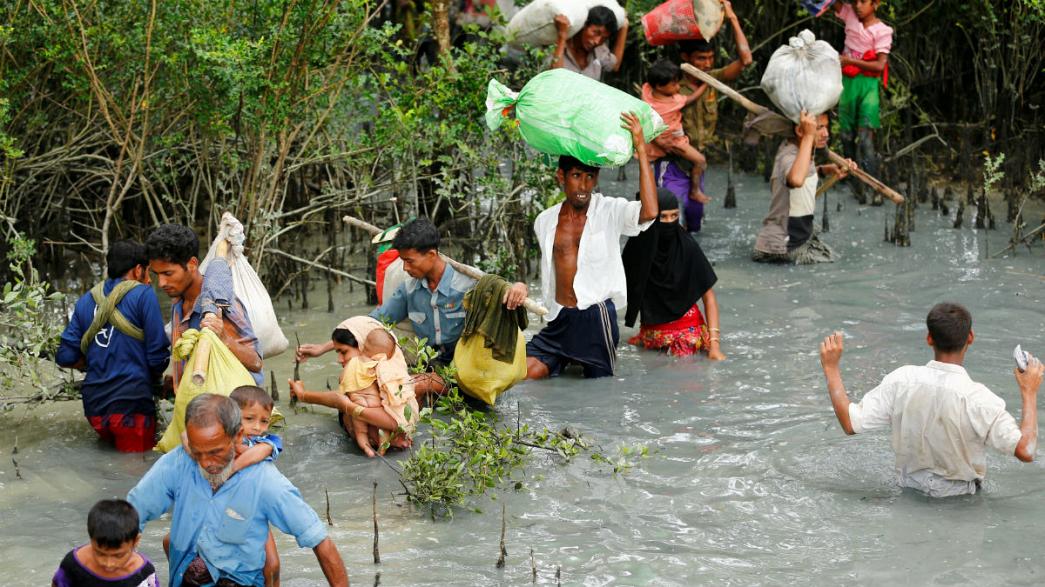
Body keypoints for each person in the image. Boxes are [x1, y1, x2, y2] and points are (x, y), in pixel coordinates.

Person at [818, 302, 1044, 497]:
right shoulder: (981, 400)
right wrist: (1029, 391)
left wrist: (831, 367)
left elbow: (850, 423)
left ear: (929, 338)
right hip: (961, 504)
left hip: (907, 494)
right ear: (971, 338)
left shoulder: (901, 380)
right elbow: (1026, 451)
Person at [128, 394, 349, 587]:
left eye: (215, 452)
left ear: (238, 435)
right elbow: (133, 513)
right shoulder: (178, 462)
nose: (206, 463)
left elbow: (320, 541)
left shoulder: (264, 480)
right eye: (197, 452)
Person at [297, 218, 527, 396]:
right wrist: (323, 348)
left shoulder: (468, 283)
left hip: (466, 366)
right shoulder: (410, 289)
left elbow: (504, 290)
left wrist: (518, 287)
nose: (404, 268)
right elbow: (372, 323)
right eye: (402, 260)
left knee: (412, 388)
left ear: (431, 255)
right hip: (431, 364)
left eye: (409, 261)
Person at [526, 112, 657, 379]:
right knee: (523, 374)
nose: (583, 185)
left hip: (596, 318)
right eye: (576, 176)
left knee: (600, 389)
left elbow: (650, 211)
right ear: (560, 176)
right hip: (559, 318)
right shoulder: (545, 221)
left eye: (589, 176)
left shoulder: (609, 210)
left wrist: (641, 150)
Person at [56, 240, 169, 452]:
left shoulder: (85, 301)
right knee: (132, 476)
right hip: (131, 407)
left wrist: (99, 362)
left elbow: (65, 357)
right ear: (138, 270)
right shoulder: (143, 295)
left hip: (94, 408)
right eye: (148, 273)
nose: (149, 280)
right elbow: (157, 357)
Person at [145, 224, 263, 386]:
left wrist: (224, 338)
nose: (162, 283)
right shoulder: (178, 304)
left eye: (168, 273)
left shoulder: (222, 305)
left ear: (192, 264)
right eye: (156, 274)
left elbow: (256, 363)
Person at [291, 317, 418, 457]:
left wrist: (352, 408)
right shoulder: (362, 374)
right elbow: (336, 399)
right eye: (337, 352)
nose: (339, 360)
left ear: (364, 348)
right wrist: (322, 349)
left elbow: (337, 399)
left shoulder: (396, 383)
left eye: (343, 352)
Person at [622, 189, 725, 360]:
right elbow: (618, 289)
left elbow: (709, 297)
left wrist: (714, 346)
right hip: (650, 334)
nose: (670, 222)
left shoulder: (687, 246)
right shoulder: (638, 246)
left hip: (687, 334)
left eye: (674, 216)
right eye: (663, 217)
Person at [752, 111, 851, 264]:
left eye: (826, 127)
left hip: (793, 239)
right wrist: (809, 136)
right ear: (799, 131)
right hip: (783, 247)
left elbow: (801, 176)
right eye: (819, 128)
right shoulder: (789, 155)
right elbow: (796, 180)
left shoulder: (800, 150)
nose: (826, 133)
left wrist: (825, 170)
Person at [832, 0, 892, 205]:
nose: (858, 6)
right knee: (846, 136)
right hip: (847, 83)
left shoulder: (883, 30)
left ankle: (874, 186)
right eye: (856, 1)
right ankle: (855, 182)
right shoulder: (848, 13)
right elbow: (832, 3)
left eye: (864, 2)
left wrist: (850, 61)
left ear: (875, 4)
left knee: (866, 139)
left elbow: (879, 65)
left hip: (868, 85)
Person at [642, 59, 711, 206]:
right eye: (674, 84)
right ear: (659, 86)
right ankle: (695, 190)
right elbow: (692, 98)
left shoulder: (647, 94)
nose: (678, 87)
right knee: (700, 160)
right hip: (674, 141)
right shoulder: (673, 102)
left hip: (655, 141)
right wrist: (706, 83)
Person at [52, 499, 159, 587]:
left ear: (135, 541)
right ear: (91, 538)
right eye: (100, 553)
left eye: (118, 555)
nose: (108, 563)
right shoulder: (73, 565)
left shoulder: (144, 572)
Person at [550, 6, 627, 82]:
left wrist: (624, 27)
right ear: (584, 25)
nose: (597, 41)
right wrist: (562, 35)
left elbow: (614, 66)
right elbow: (555, 77)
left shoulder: (599, 50)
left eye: (603, 38)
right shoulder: (558, 46)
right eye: (596, 32)